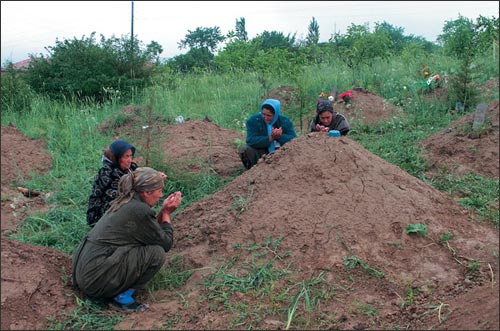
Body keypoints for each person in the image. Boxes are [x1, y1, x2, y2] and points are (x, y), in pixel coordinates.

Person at [72, 167, 182, 312]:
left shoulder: (126, 200)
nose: (161, 195)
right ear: (146, 192)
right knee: (156, 253)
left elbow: (150, 231)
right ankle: (121, 298)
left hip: (84, 272)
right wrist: (167, 213)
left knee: (141, 247)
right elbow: (165, 243)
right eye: (159, 190)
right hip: (94, 279)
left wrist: (162, 211)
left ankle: (111, 286)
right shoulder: (139, 210)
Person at [86, 139, 139, 227]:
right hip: (101, 214)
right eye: (126, 156)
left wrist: (155, 176)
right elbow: (119, 197)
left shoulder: (131, 167)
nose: (130, 160)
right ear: (117, 158)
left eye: (131, 156)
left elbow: (141, 176)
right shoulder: (107, 173)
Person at [239, 98, 297, 169]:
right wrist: (270, 138)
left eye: (269, 115)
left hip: (280, 151)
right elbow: (250, 140)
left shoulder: (284, 121)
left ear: (275, 114)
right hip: (261, 151)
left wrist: (280, 137)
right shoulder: (253, 121)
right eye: (263, 114)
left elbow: (294, 139)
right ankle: (254, 170)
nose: (265, 118)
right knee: (245, 149)